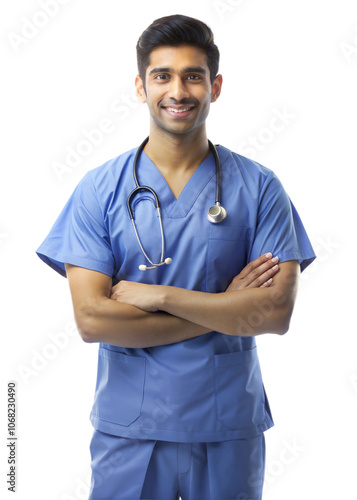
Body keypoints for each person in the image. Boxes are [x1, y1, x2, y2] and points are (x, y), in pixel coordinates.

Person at [37, 14, 315, 500]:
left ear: (216, 86)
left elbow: (274, 313)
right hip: (131, 431)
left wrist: (159, 296)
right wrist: (224, 306)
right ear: (141, 87)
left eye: (193, 75)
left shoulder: (260, 187)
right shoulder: (100, 189)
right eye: (163, 75)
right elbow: (92, 320)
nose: (178, 90)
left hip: (227, 427)